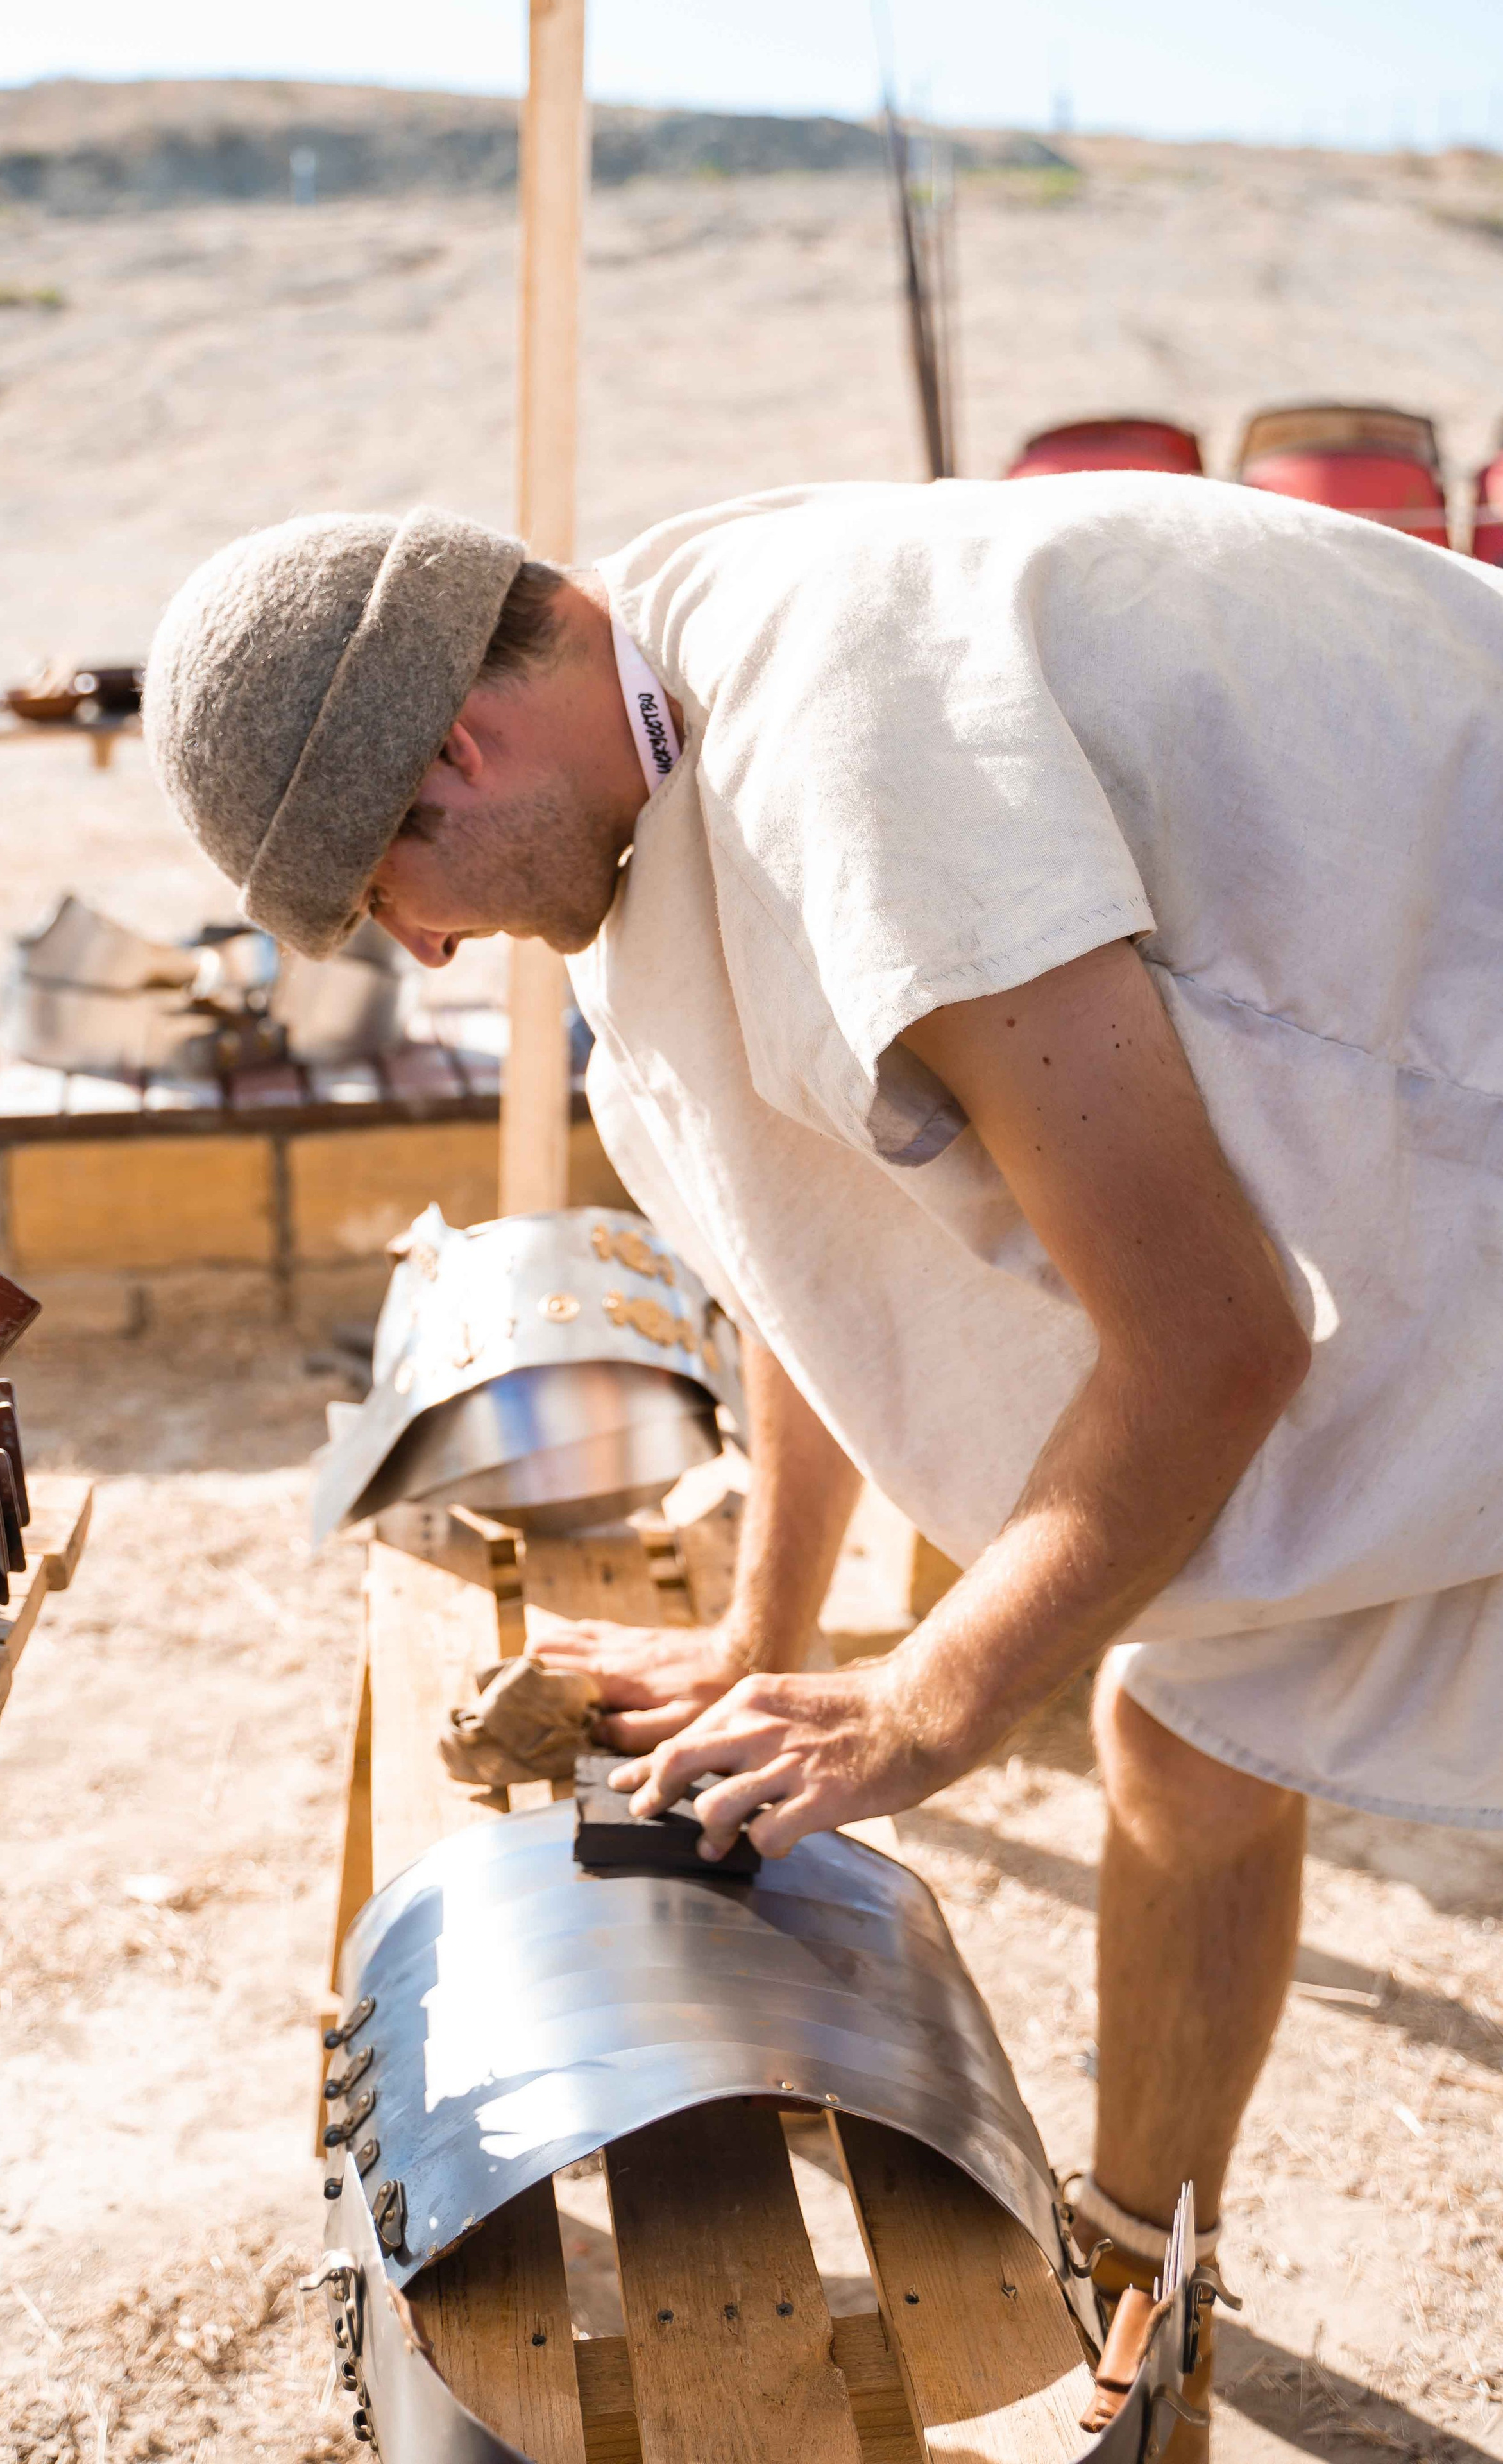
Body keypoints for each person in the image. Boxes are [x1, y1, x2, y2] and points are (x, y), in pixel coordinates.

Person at [144, 475, 1503, 2450]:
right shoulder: (660, 716)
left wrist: (925, 1708)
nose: (427, 957)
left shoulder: (851, 765)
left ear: (456, 742)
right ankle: (1140, 2254)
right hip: (1419, 1169)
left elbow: (1215, 1337)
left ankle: (1131, 2256)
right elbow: (814, 1255)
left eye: (388, 894)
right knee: (1196, 1738)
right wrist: (771, 1627)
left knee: (1163, 1711)